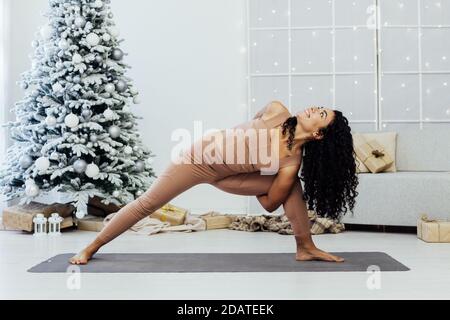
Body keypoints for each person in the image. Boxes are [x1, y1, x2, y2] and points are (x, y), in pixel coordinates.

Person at [69, 101, 359, 264]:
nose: (312, 109)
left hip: (229, 177)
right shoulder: (278, 112)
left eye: (320, 114)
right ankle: (92, 247)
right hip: (196, 160)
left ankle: (305, 246)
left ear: (319, 135)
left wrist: (274, 181)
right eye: (318, 107)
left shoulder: (289, 164)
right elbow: (257, 117)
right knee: (148, 203)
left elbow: (270, 204)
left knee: (292, 187)